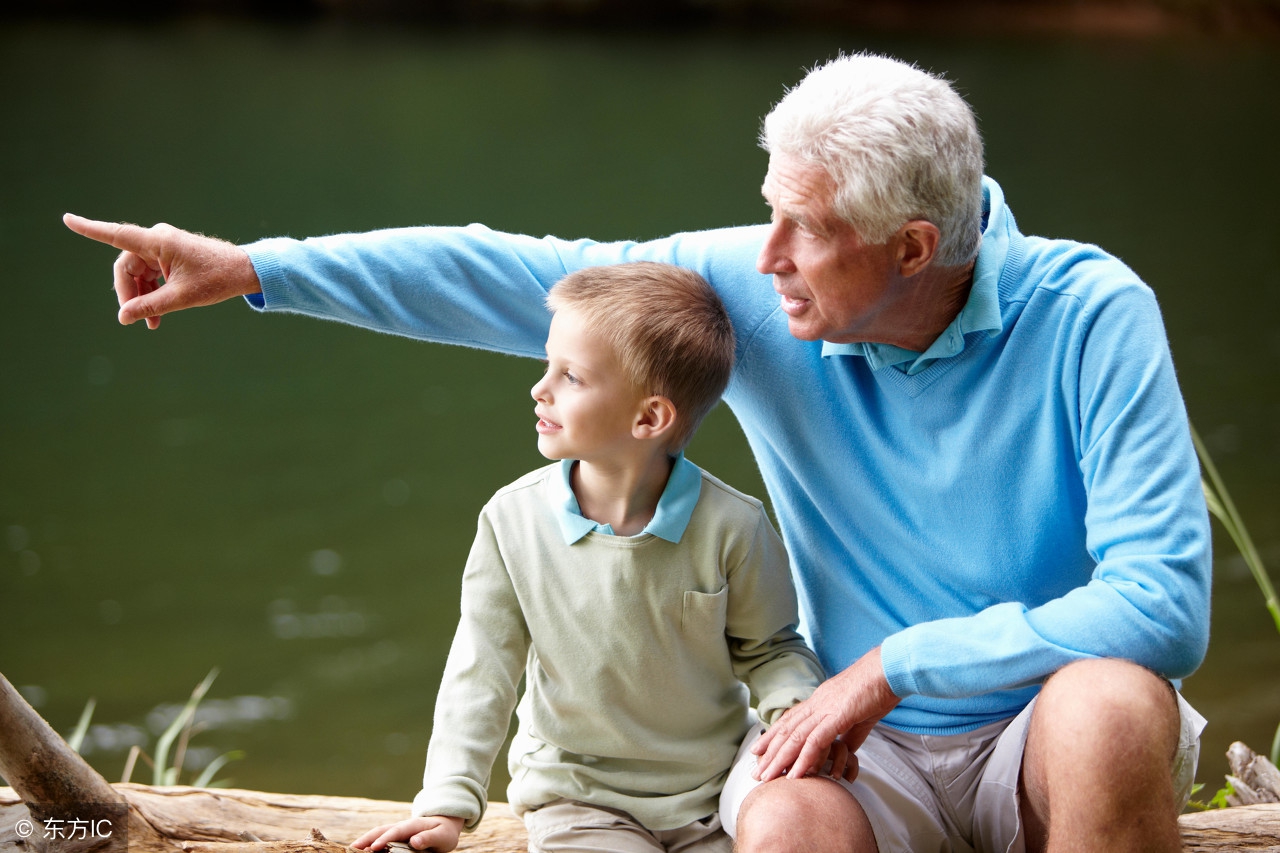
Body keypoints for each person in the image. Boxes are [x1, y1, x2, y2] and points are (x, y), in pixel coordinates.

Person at [64, 51, 1212, 853]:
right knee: (781, 816)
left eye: (803, 229)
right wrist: (255, 266)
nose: (763, 255)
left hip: (1031, 735)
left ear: (912, 246)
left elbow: (1160, 606)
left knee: (1110, 705)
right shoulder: (772, 292)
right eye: (768, 210)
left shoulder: (1090, 313)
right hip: (864, 752)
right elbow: (513, 274)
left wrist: (896, 665)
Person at [346, 261, 827, 853]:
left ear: (649, 417)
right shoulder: (511, 519)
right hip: (579, 798)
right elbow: (482, 666)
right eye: (548, 365)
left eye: (571, 376)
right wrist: (447, 804)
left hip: (714, 792)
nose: (539, 388)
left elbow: (773, 650)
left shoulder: (734, 525)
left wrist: (796, 722)